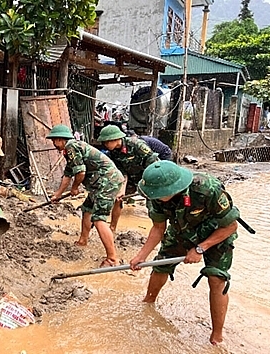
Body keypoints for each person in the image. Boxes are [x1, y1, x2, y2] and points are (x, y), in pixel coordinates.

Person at [130, 161, 239, 345]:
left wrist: (200, 248)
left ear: (172, 189)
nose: (153, 197)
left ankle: (217, 336)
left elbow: (230, 225)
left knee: (216, 278)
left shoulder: (207, 188)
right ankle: (148, 303)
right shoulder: (154, 193)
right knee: (161, 265)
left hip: (216, 232)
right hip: (182, 229)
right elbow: (158, 228)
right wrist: (141, 255)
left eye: (158, 195)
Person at [47, 124, 125, 267]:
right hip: (99, 184)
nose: (54, 144)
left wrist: (75, 188)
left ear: (60, 139)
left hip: (107, 182)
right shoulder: (71, 149)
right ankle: (83, 240)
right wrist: (57, 194)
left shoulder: (71, 147)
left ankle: (112, 258)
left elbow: (80, 173)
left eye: (54, 141)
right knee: (87, 209)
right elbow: (68, 174)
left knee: (99, 218)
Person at [97, 125, 159, 232]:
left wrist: (148, 184)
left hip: (148, 176)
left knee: (153, 206)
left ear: (116, 139)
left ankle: (157, 230)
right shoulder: (114, 152)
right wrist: (122, 189)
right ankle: (112, 228)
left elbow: (154, 164)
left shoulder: (137, 145)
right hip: (131, 177)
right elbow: (121, 172)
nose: (105, 145)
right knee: (117, 198)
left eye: (107, 142)